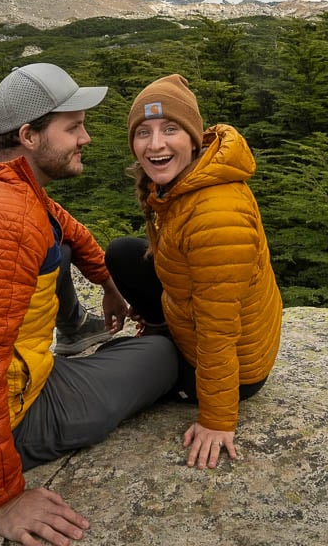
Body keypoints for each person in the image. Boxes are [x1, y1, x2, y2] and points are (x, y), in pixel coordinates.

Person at [0, 62, 178, 546]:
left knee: (56, 245)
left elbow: (63, 228)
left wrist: (108, 283)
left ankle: (75, 333)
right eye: (73, 128)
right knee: (166, 355)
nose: (85, 138)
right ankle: (93, 362)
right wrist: (3, 498)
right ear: (29, 135)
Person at [106, 73, 283, 471]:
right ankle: (160, 328)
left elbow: (219, 328)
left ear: (194, 138)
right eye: (143, 132)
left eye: (170, 130)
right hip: (193, 316)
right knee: (123, 253)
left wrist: (217, 419)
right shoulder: (189, 181)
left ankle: (166, 347)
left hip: (237, 369)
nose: (155, 145)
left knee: (118, 361)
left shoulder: (216, 215)